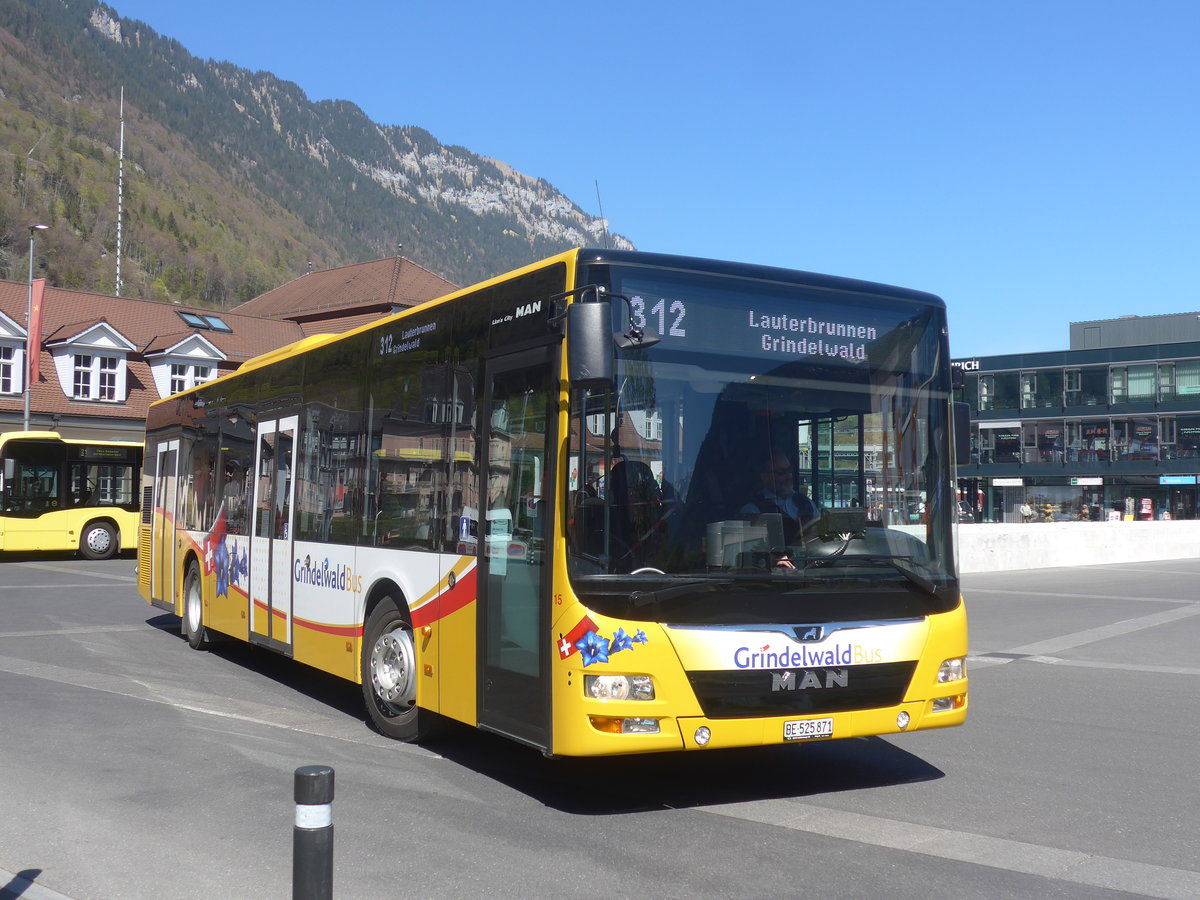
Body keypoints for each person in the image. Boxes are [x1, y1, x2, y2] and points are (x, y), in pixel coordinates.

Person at [740, 451, 821, 545]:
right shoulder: (753, 510)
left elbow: (820, 532)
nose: (789, 476)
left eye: (790, 470)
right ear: (765, 477)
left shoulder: (806, 503)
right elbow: (751, 548)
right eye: (781, 473)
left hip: (810, 557)